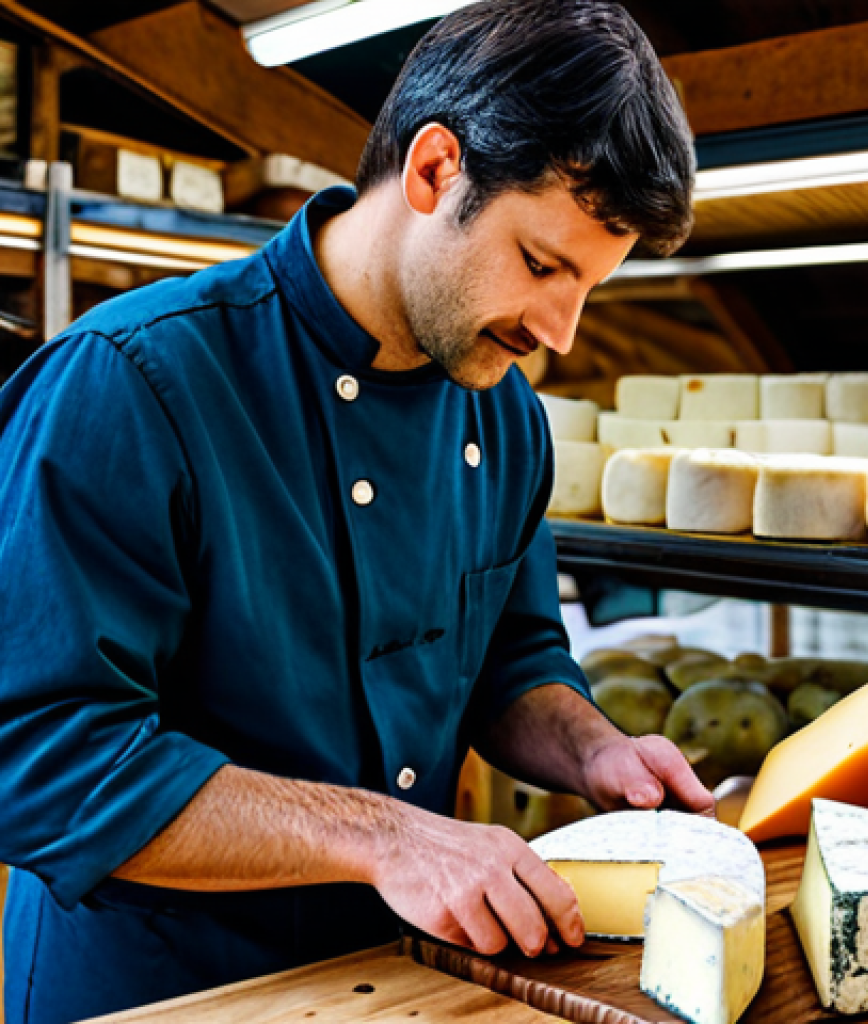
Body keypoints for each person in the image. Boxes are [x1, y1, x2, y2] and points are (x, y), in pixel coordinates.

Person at [0, 1, 710, 1021]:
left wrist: (593, 747)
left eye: (589, 285)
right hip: (161, 992)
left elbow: (512, 659)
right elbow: (37, 751)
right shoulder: (134, 384)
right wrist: (386, 835)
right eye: (543, 265)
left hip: (401, 984)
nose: (560, 329)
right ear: (433, 173)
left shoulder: (502, 417)